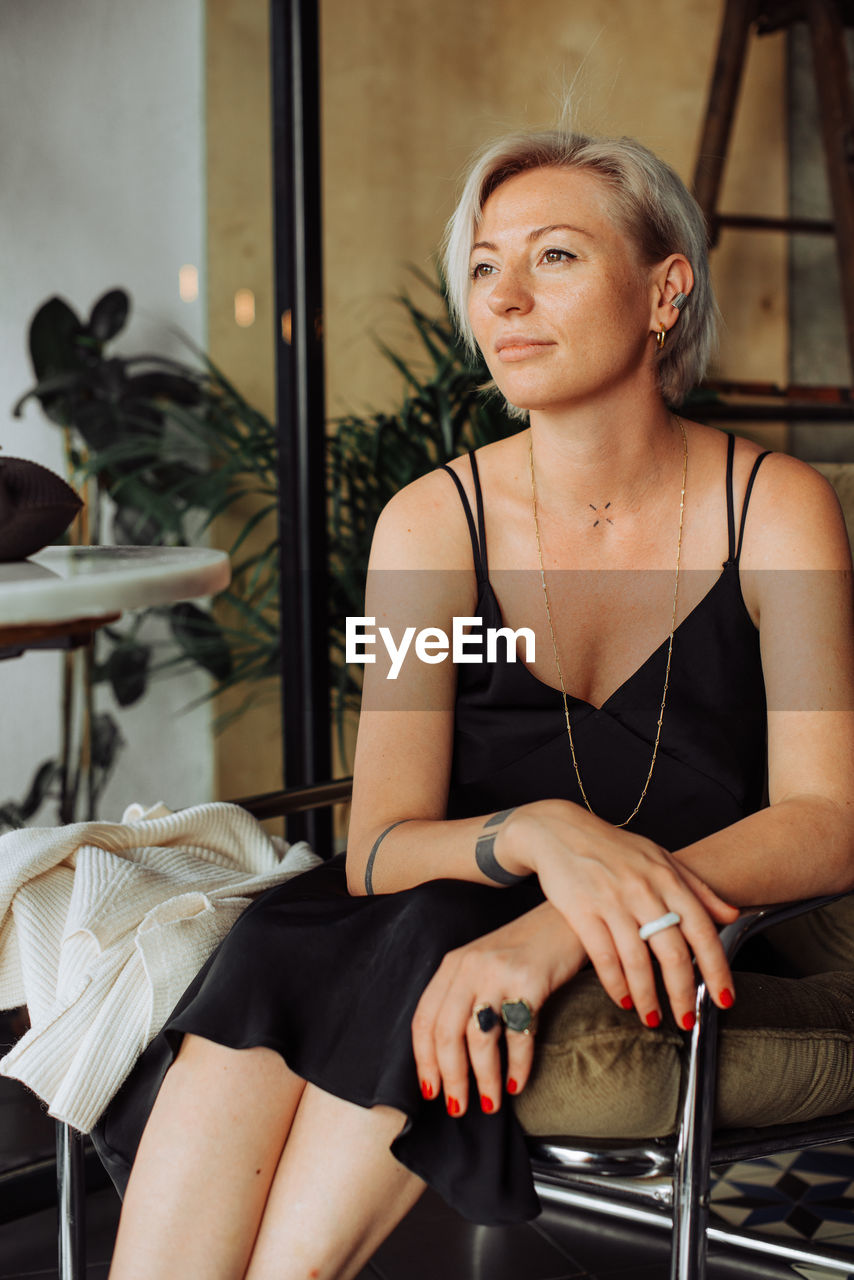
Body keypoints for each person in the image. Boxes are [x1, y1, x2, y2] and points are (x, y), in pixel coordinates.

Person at [96, 127, 854, 1280]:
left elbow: (825, 814)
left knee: (416, 940)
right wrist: (541, 836)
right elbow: (379, 848)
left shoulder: (778, 508)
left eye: (551, 257)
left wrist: (555, 925)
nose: (501, 298)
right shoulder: (426, 525)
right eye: (482, 266)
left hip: (637, 937)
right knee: (341, 936)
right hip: (417, 916)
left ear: (664, 289)